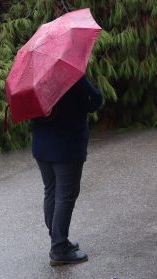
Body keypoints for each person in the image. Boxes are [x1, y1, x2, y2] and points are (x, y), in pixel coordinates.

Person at [30, 75, 103, 266]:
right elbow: (94, 101)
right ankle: (59, 248)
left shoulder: (34, 79)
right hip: (66, 146)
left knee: (52, 192)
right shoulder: (71, 75)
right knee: (66, 196)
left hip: (42, 146)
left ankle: (58, 239)